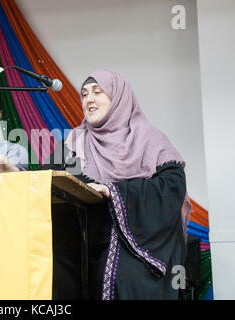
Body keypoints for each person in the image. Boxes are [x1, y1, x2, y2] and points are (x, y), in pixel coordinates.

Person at [42, 69, 191, 300]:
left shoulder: (149, 139)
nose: (89, 99)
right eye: (84, 94)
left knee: (127, 277)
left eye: (97, 91)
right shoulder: (75, 142)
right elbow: (46, 179)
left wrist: (114, 191)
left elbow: (172, 188)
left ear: (118, 97)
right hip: (85, 243)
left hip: (142, 246)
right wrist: (14, 173)